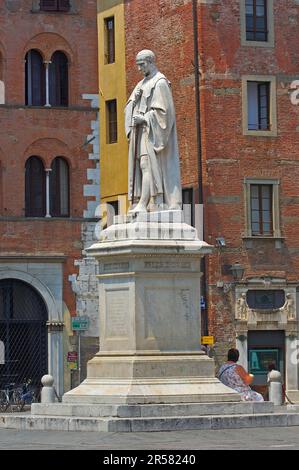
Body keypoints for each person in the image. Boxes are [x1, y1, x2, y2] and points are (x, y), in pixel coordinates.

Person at [125, 49, 182, 213]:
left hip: (151, 132)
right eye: (137, 65)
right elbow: (129, 108)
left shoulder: (160, 82)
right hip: (141, 133)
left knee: (146, 165)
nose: (139, 69)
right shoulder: (141, 84)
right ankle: (146, 202)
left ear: (151, 62)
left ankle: (146, 202)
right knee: (143, 165)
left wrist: (145, 119)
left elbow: (165, 113)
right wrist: (134, 102)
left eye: (142, 65)